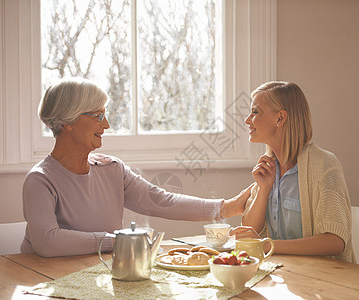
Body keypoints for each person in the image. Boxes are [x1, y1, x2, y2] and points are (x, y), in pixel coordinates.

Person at [21, 77, 252, 257]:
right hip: (45, 283)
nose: (107, 124)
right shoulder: (40, 180)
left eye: (105, 115)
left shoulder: (112, 170)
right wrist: (119, 240)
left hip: (98, 276)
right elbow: (47, 243)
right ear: (67, 122)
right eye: (97, 116)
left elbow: (161, 201)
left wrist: (226, 208)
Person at [230, 81, 355, 262]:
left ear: (280, 118)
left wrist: (267, 245)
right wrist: (263, 190)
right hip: (282, 275)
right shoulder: (269, 167)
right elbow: (250, 231)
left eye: (255, 112)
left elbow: (335, 241)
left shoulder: (325, 165)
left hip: (322, 280)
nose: (247, 120)